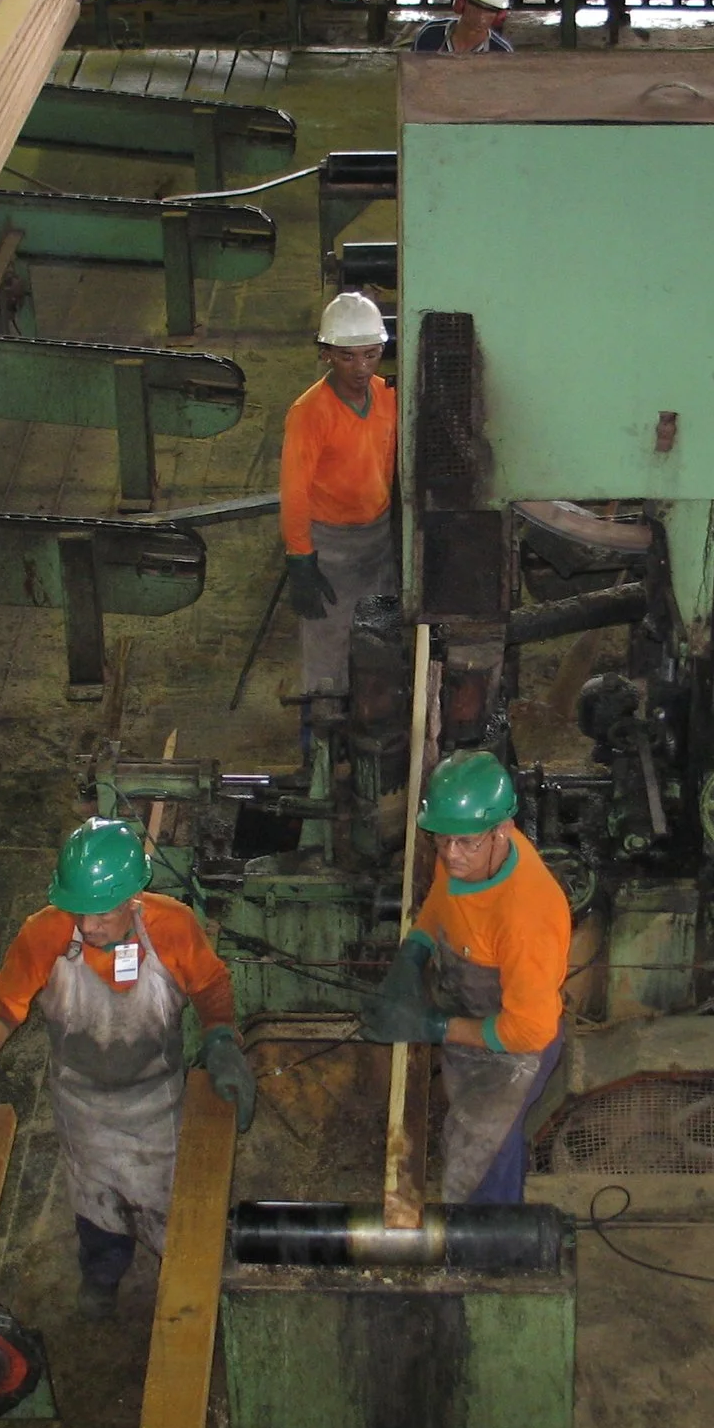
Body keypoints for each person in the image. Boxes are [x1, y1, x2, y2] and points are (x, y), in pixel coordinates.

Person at [0, 819, 256, 1317]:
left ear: (134, 897)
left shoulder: (171, 927)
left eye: (103, 912)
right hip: (82, 1107)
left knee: (169, 1203)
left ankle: (187, 1277)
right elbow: (4, 1004)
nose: (88, 926)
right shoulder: (44, 932)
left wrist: (220, 1036)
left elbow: (210, 985)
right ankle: (103, 1273)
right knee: (95, 1200)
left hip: (156, 1107)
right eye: (79, 911)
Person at [359, 752, 571, 1204]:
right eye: (441, 841)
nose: (451, 855)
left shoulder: (525, 917)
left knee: (478, 1150)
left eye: (465, 842)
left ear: (502, 831)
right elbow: (442, 904)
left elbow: (531, 1029)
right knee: (483, 1133)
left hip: (517, 1050)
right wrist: (412, 954)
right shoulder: (466, 858)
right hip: (473, 1021)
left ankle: (487, 1259)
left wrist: (435, 1027)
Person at [280, 292, 398, 710]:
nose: (362, 369)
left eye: (371, 355)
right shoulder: (309, 413)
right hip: (331, 545)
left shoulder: (388, 398)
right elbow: (294, 491)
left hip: (380, 537)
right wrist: (301, 559)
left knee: (380, 630)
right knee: (330, 636)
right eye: (348, 358)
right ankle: (324, 722)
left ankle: (375, 705)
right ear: (326, 354)